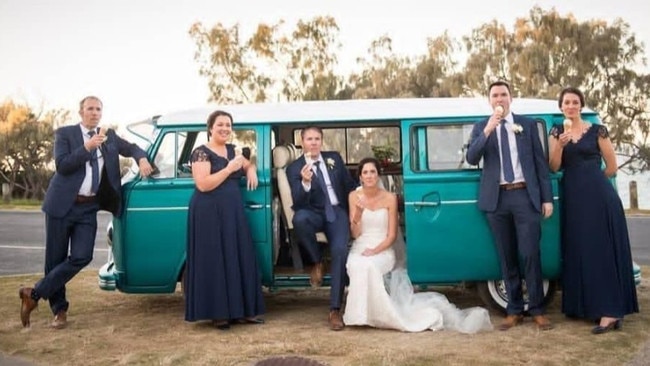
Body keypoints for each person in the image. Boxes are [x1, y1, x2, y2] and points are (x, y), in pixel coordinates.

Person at [19, 96, 153, 329]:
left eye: (98, 109)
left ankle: (34, 293)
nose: (94, 113)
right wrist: (87, 148)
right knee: (55, 260)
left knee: (83, 256)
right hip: (62, 205)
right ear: (81, 112)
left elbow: (131, 147)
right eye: (90, 109)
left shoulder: (108, 136)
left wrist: (141, 158)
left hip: (88, 207)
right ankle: (59, 311)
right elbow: (62, 165)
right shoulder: (65, 134)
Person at [343, 158, 493, 333]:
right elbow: (355, 234)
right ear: (360, 177)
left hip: (383, 247)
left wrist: (375, 250)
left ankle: (381, 315)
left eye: (372, 172)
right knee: (357, 264)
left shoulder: (390, 198)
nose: (369, 176)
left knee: (369, 264)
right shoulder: (354, 196)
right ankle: (359, 316)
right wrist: (358, 214)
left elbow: (391, 236)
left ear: (378, 175)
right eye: (365, 172)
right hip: (361, 245)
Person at [549, 87, 639, 334]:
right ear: (561, 107)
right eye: (566, 102)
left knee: (601, 249)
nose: (571, 106)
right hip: (573, 197)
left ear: (581, 105)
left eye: (575, 102)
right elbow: (554, 166)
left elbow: (611, 166)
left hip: (598, 196)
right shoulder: (557, 131)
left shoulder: (597, 130)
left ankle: (610, 313)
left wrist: (592, 182)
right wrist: (559, 146)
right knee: (580, 249)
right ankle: (586, 306)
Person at [466, 80, 555, 331]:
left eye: (503, 94)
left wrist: (546, 199)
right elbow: (472, 158)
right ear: (489, 100)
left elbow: (540, 165)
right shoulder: (481, 127)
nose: (499, 99)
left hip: (525, 196)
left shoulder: (526, 125)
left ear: (510, 98)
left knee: (530, 253)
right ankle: (514, 310)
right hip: (497, 200)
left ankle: (537, 309)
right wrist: (488, 131)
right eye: (495, 95)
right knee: (506, 257)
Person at [184, 110, 265, 330]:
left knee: (236, 254)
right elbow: (203, 184)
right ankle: (218, 313)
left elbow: (246, 164)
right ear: (210, 128)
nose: (225, 129)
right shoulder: (200, 153)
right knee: (214, 258)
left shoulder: (233, 149)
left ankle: (241, 312)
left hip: (232, 210)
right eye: (220, 125)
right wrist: (229, 168)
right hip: (208, 211)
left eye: (228, 125)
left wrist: (251, 170)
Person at [286, 125, 356, 331]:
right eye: (309, 139)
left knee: (340, 251)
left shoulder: (334, 158)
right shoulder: (294, 168)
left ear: (322, 141)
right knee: (299, 219)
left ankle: (335, 309)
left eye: (317, 139)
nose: (314, 142)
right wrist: (305, 183)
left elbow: (349, 184)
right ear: (302, 141)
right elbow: (297, 200)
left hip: (337, 211)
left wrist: (359, 201)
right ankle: (316, 261)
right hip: (313, 211)